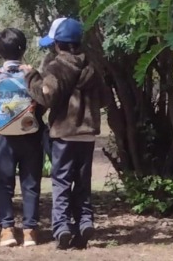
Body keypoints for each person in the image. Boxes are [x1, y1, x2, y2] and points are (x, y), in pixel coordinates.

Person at [21, 18, 106, 250]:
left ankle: (62, 228)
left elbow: (47, 96)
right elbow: (105, 98)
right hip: (87, 135)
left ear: (58, 44)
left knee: (61, 182)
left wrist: (31, 77)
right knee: (82, 182)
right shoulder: (92, 66)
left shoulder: (57, 66)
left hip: (64, 134)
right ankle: (85, 222)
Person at [0, 28, 44, 248]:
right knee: (31, 183)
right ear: (24, 49)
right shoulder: (32, 76)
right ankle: (30, 231)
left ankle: (7, 230)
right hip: (31, 136)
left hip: (5, 137)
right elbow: (43, 102)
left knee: (4, 184)